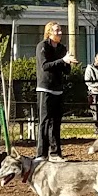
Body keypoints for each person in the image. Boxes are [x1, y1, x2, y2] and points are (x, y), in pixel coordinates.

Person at [36, 23, 69, 159]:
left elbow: (66, 70)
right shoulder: (42, 46)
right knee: (44, 122)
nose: (60, 33)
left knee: (56, 122)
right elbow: (45, 66)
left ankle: (55, 153)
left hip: (58, 90)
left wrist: (67, 62)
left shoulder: (62, 48)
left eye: (60, 30)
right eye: (57, 31)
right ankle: (41, 154)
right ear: (49, 32)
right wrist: (62, 60)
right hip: (45, 88)